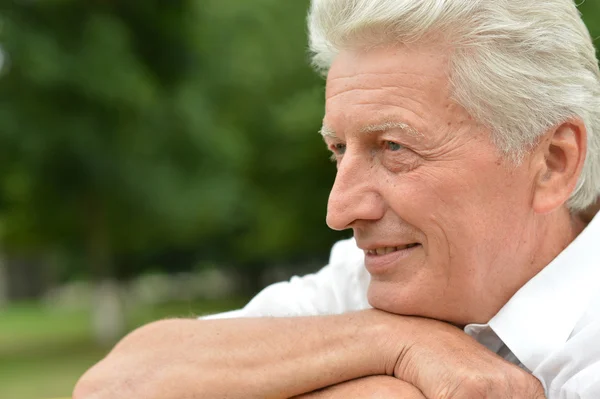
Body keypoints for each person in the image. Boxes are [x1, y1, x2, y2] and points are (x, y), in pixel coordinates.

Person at [73, 0, 600, 398]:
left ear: (552, 162)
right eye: (338, 150)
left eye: (394, 147)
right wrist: (392, 349)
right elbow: (110, 385)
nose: (339, 210)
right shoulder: (371, 283)